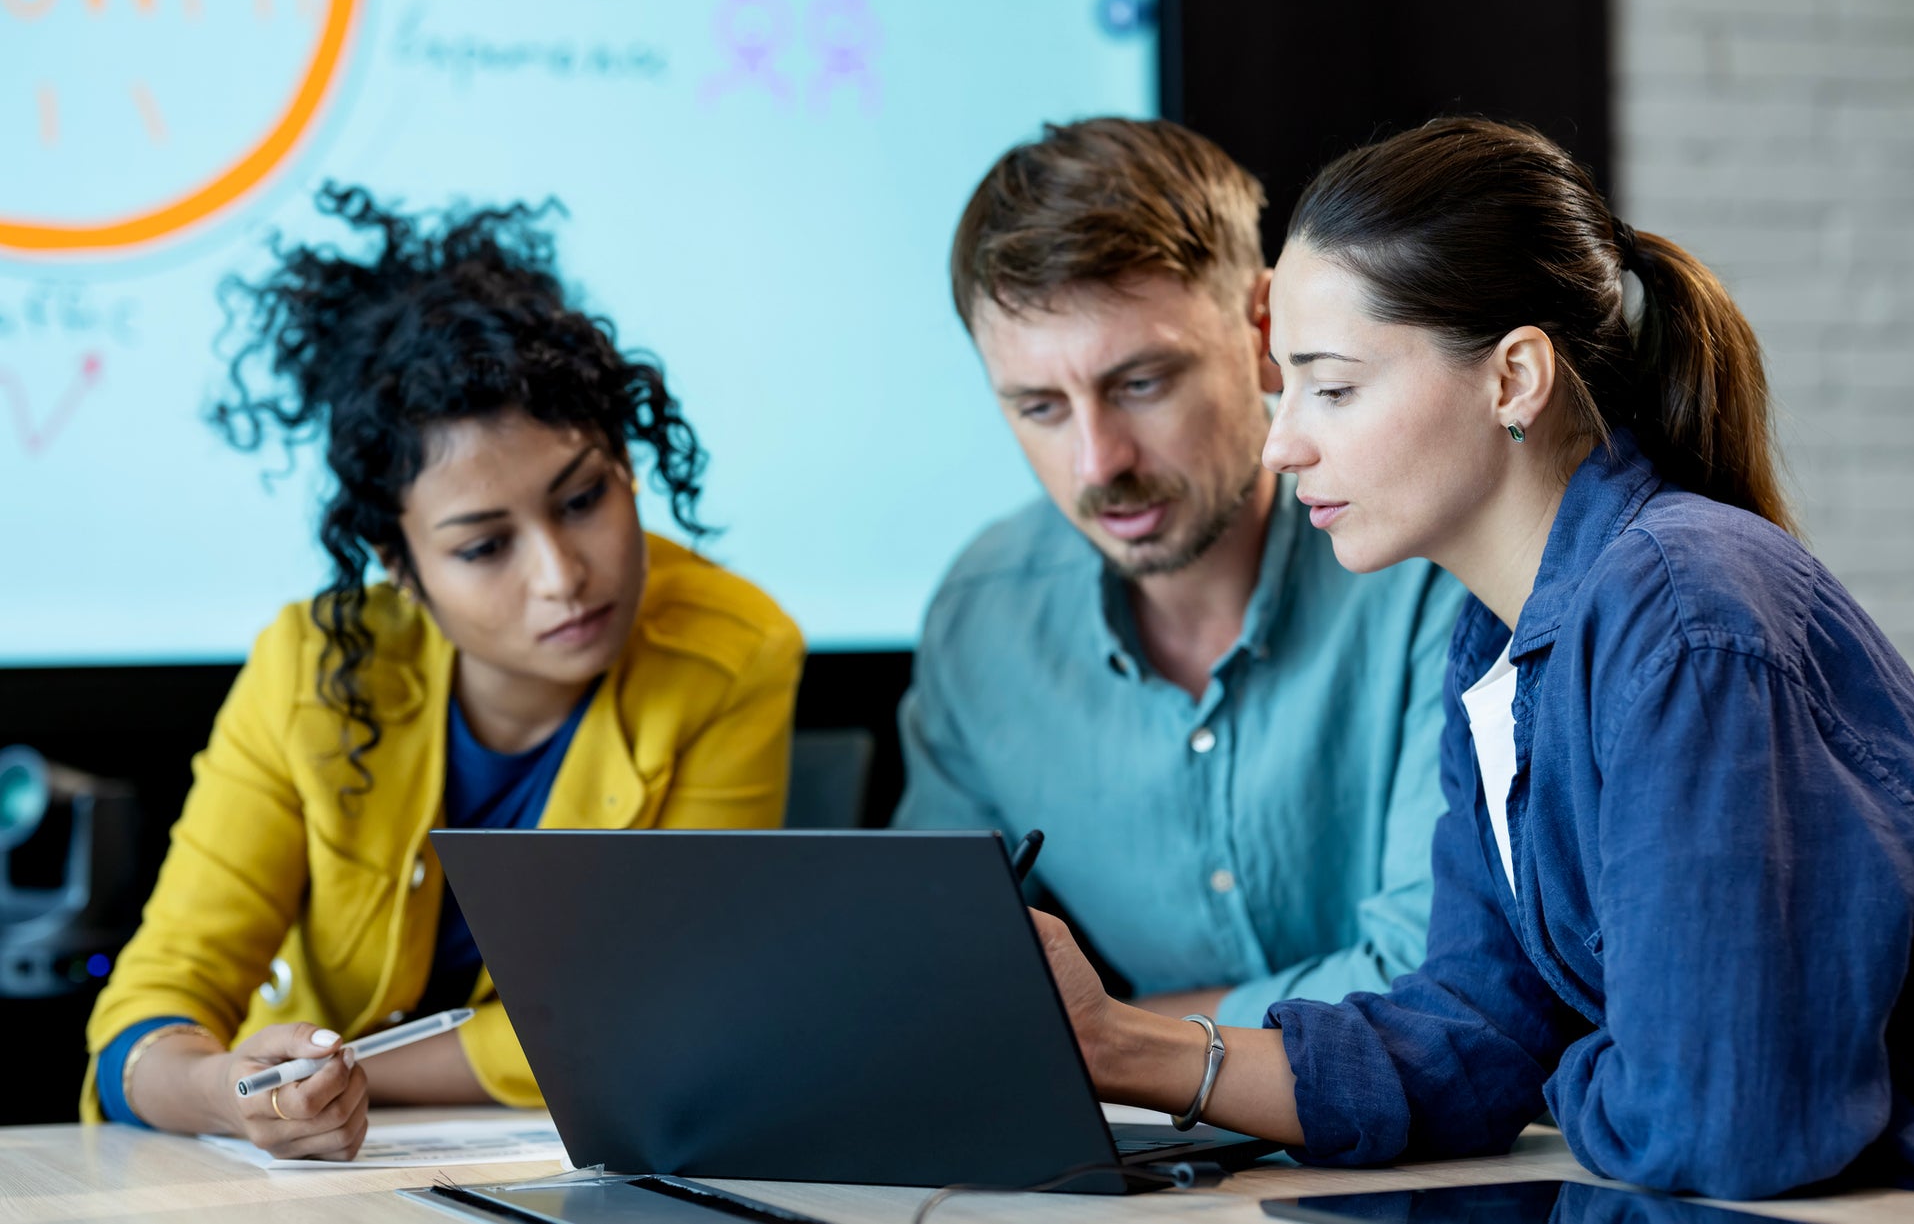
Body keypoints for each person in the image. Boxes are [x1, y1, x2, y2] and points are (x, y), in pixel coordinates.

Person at [1032, 117, 1914, 1199]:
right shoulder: (1498, 642)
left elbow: (1718, 1117)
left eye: (1330, 387)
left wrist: (1555, 1069)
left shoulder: (1677, 605)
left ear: (1513, 377)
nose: (1282, 443)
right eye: (1283, 388)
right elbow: (1465, 1034)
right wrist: (1114, 1040)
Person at [82, 186, 805, 1159]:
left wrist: (351, 1072)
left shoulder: (734, 650)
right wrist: (232, 1092)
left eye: (584, 497)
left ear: (629, 467)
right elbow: (147, 1016)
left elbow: (655, 1025)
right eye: (483, 546)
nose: (562, 577)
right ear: (401, 568)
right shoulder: (309, 666)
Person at [895, 118, 1465, 1025]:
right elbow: (936, 976)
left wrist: (1114, 1038)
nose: (1096, 462)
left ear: (1265, 323)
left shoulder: (1434, 565)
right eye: (1039, 406)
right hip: (1141, 1157)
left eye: (1141, 383)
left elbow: (1437, 979)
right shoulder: (981, 617)